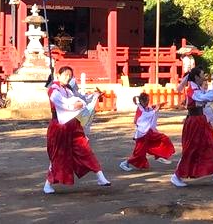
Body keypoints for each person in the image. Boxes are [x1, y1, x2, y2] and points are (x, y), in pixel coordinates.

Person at [43, 66, 111, 194]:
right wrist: (75, 105)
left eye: (70, 76)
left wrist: (90, 98)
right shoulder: (54, 89)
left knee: (85, 149)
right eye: (65, 75)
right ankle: (48, 183)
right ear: (58, 75)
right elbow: (62, 103)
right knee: (58, 155)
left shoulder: (68, 90)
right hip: (59, 125)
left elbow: (81, 99)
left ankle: (100, 177)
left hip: (73, 124)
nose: (67, 78)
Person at [171, 67, 213, 187]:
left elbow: (208, 97)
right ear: (197, 77)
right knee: (191, 149)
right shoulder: (192, 91)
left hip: (200, 120)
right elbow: (206, 97)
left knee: (212, 144)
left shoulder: (197, 89)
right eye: (202, 75)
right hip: (194, 122)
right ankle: (177, 175)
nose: (204, 77)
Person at [119, 93, 175, 171]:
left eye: (148, 101)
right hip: (142, 134)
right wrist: (156, 109)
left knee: (163, 138)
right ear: (141, 101)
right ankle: (124, 163)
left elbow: (151, 109)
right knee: (139, 153)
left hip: (148, 132)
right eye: (146, 101)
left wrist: (159, 106)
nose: (148, 102)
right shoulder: (141, 109)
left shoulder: (144, 108)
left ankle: (159, 156)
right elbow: (145, 116)